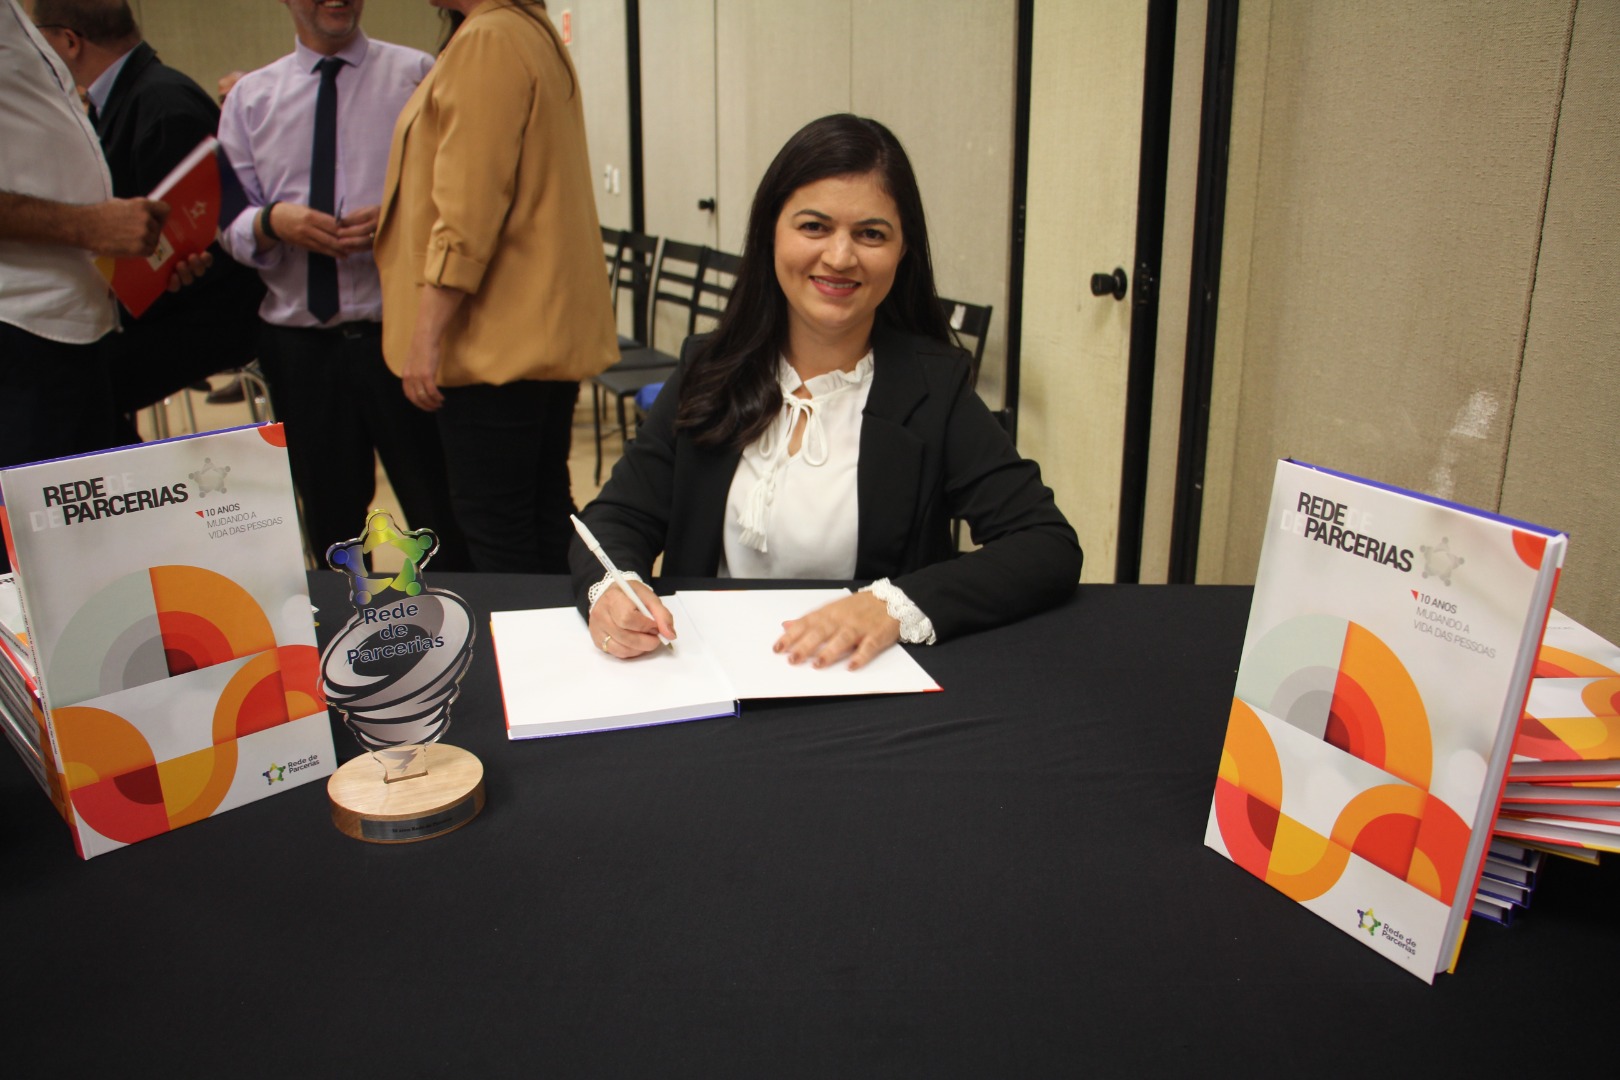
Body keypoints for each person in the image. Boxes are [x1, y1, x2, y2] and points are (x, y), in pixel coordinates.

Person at [569, 114, 1082, 670]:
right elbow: (615, 518)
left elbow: (1044, 544)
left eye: (871, 234)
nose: (840, 257)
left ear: (903, 250)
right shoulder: (709, 366)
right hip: (705, 675)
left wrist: (891, 605)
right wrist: (613, 589)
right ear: (772, 232)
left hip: (860, 683)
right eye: (814, 227)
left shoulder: (934, 388)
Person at [217, 0, 468, 568]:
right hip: (303, 348)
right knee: (331, 522)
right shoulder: (251, 100)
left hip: (404, 338)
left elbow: (458, 197)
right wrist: (271, 221)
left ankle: (466, 637)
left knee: (441, 510)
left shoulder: (417, 75)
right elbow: (228, 223)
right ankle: (351, 643)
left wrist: (398, 216)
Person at [374, 0, 618, 573]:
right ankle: (576, 639)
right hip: (532, 337)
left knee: (498, 527)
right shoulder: (529, 33)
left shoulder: (488, 39)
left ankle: (528, 654)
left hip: (491, 342)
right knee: (539, 515)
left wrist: (425, 336)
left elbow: (467, 212)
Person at [30, 0, 265, 438]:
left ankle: (125, 500)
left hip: (214, 311)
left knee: (68, 378)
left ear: (68, 41)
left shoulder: (161, 104)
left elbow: (208, 243)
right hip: (174, 303)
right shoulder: (130, 98)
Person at [0, 0, 169, 572]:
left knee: (95, 570)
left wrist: (117, 240)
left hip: (70, 326)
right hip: (22, 331)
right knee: (49, 574)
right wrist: (89, 225)